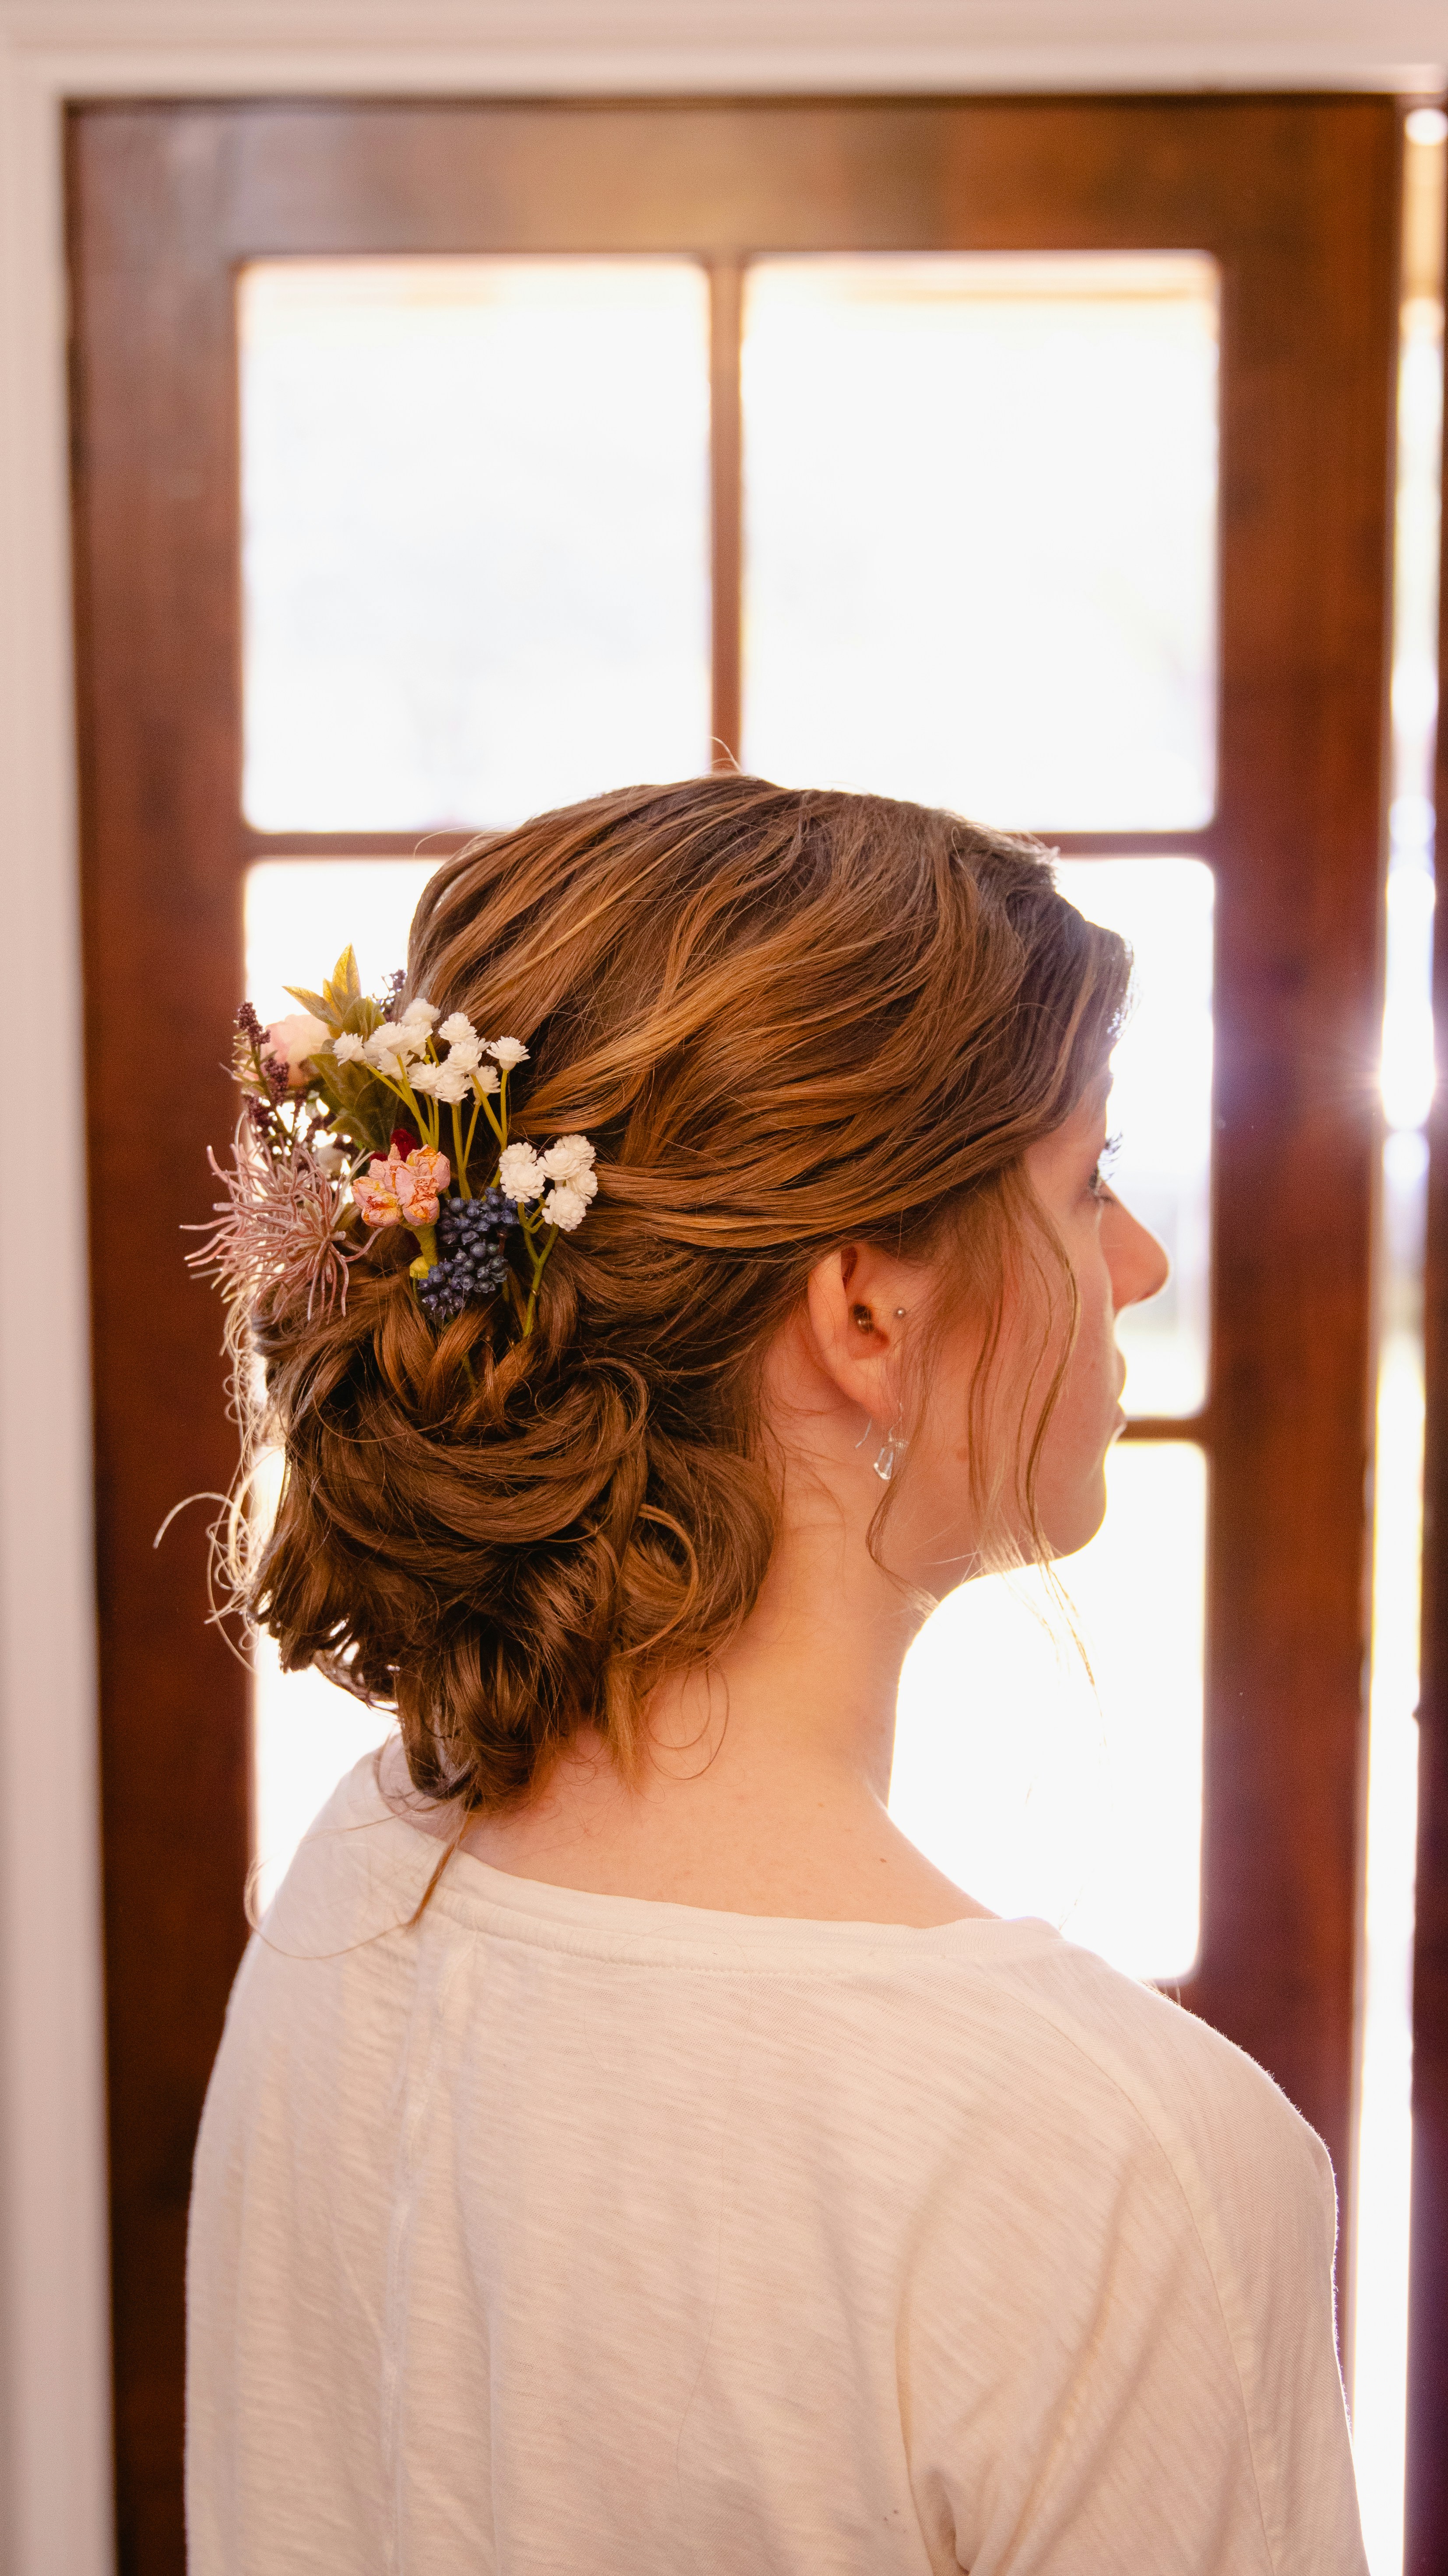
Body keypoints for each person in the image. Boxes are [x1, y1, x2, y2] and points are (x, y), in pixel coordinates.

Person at [186, 776, 1367, 2573]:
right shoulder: (1108, 2165)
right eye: (1085, 1180)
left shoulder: (362, 1888)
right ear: (863, 1316)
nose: (1133, 1264)